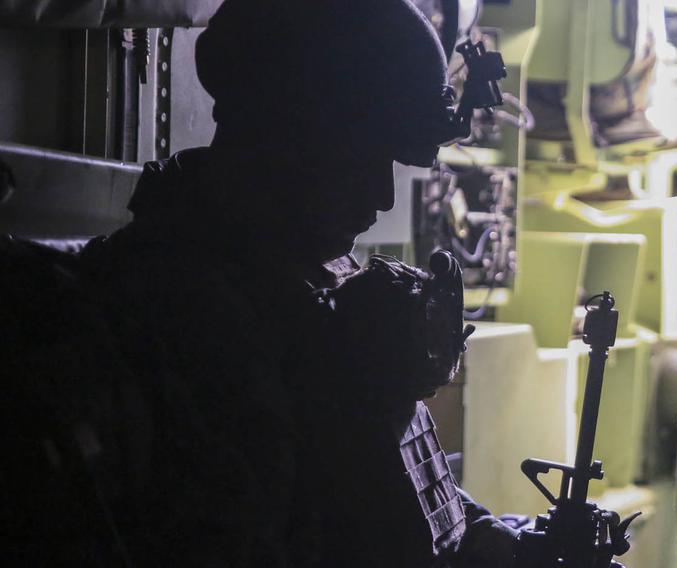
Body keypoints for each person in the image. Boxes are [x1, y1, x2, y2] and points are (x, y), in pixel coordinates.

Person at [44, 0, 517, 565]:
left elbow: (386, 486)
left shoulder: (304, 282)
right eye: (362, 161)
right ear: (288, 138)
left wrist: (505, 545)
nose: (383, 196)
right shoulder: (178, 316)